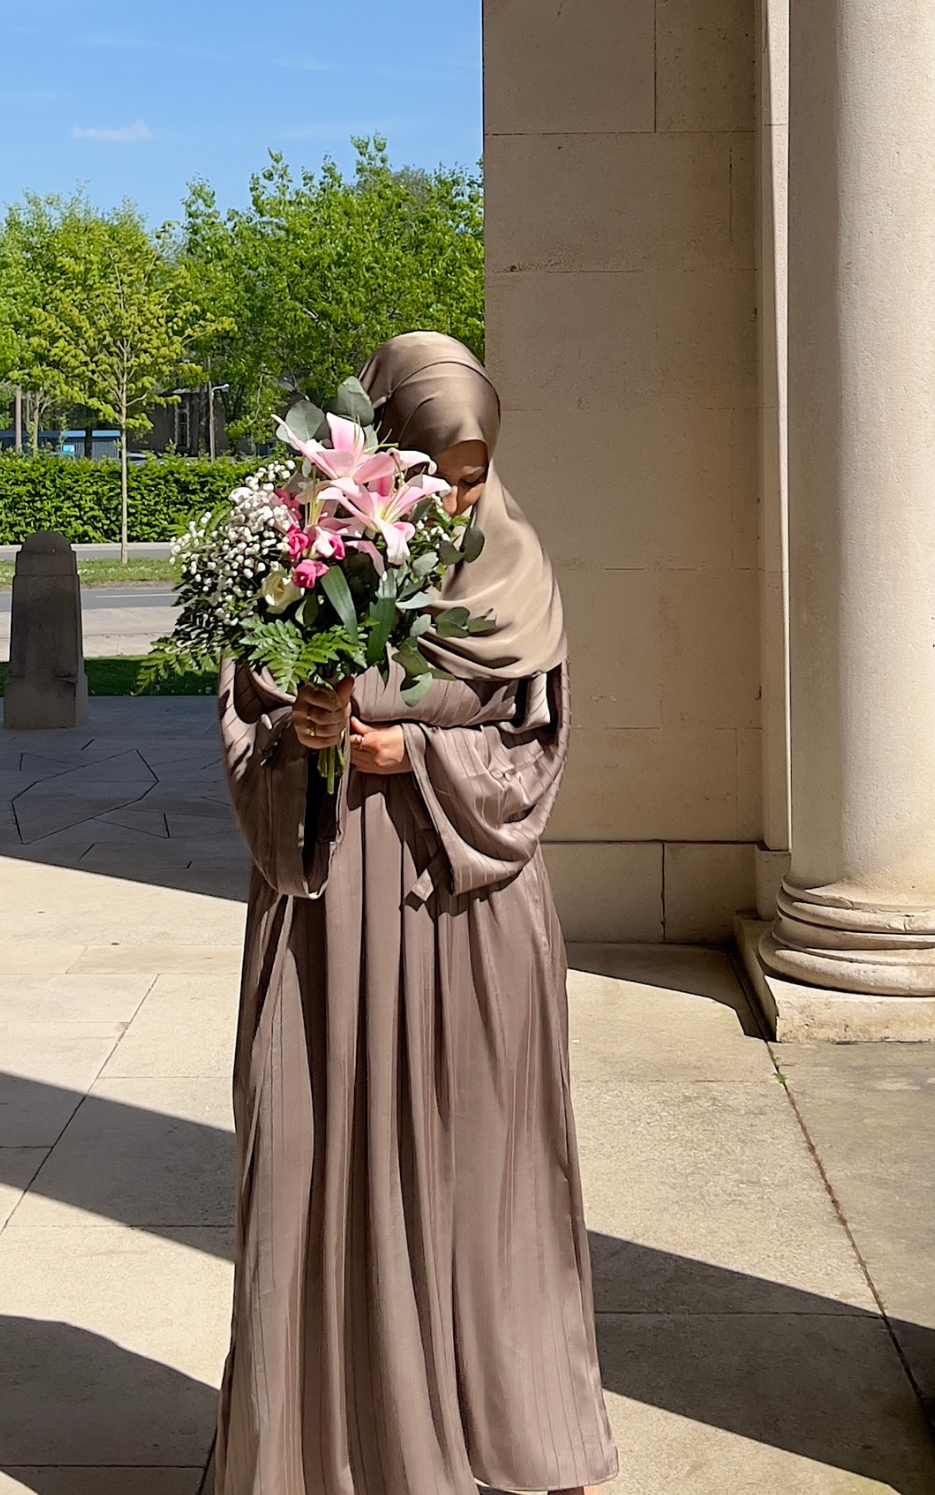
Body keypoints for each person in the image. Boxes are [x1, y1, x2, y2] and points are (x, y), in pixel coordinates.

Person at [214, 332, 618, 1495]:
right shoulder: (297, 551)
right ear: (381, 449)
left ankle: (512, 1436)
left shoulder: (516, 567)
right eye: (433, 465)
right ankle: (332, 1451)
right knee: (315, 1166)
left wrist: (412, 751)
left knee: (484, 1177)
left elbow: (534, 754)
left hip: (469, 911)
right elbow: (250, 726)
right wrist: (310, 737)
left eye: (475, 467)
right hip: (331, 917)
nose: (457, 491)